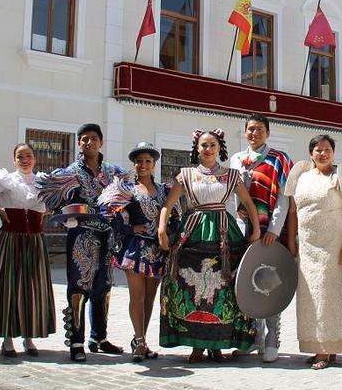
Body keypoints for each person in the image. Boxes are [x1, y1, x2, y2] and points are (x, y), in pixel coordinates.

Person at [157, 129, 261, 362]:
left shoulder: (231, 175)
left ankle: (218, 344)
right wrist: (162, 228)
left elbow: (248, 204)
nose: (208, 149)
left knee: (224, 289)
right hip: (193, 231)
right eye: (203, 145)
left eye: (212, 145)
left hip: (225, 233)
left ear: (219, 148)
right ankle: (195, 345)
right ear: (196, 148)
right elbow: (168, 204)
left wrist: (256, 229)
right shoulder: (185, 175)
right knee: (190, 289)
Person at [36, 123, 126, 362]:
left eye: (94, 138)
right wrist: (65, 218)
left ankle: (99, 337)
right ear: (79, 143)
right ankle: (76, 341)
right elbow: (51, 196)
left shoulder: (113, 171)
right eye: (84, 139)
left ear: (101, 142)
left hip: (107, 236)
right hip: (81, 235)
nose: (89, 142)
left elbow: (128, 192)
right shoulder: (70, 172)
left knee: (103, 286)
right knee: (78, 287)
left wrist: (120, 218)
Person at [0, 143, 56, 358]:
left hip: (35, 241)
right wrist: (0, 211)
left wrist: (43, 214)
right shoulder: (6, 180)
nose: (25, 160)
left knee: (33, 288)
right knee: (9, 287)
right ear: (14, 159)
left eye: (28, 155)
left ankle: (29, 336)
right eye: (20, 156)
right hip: (10, 240)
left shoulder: (42, 182)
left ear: (34, 158)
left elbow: (53, 204)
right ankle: (7, 338)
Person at [100, 142, 179, 362]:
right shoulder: (125, 189)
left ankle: (141, 340)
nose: (143, 165)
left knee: (150, 298)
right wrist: (129, 228)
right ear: (134, 164)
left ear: (154, 164)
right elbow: (107, 214)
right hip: (134, 249)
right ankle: (139, 340)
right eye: (139, 161)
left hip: (158, 249)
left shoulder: (164, 190)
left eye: (147, 161)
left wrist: (169, 236)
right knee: (137, 295)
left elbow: (175, 216)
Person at [285, 135, 342, 370]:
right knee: (310, 297)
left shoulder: (341, 175)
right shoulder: (301, 175)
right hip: (307, 246)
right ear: (311, 153)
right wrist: (292, 241)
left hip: (333, 246)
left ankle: (326, 350)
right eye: (318, 150)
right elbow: (293, 212)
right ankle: (318, 345)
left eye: (327, 149)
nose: (323, 153)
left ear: (333, 152)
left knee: (330, 296)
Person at [228, 114, 294, 363]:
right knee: (246, 282)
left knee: (269, 280)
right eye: (250, 129)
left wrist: (274, 230)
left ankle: (272, 337)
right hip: (243, 230)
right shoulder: (237, 159)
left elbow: (283, 198)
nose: (254, 133)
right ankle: (252, 338)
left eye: (259, 129)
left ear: (268, 132)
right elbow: (234, 196)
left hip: (269, 231)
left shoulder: (280, 159)